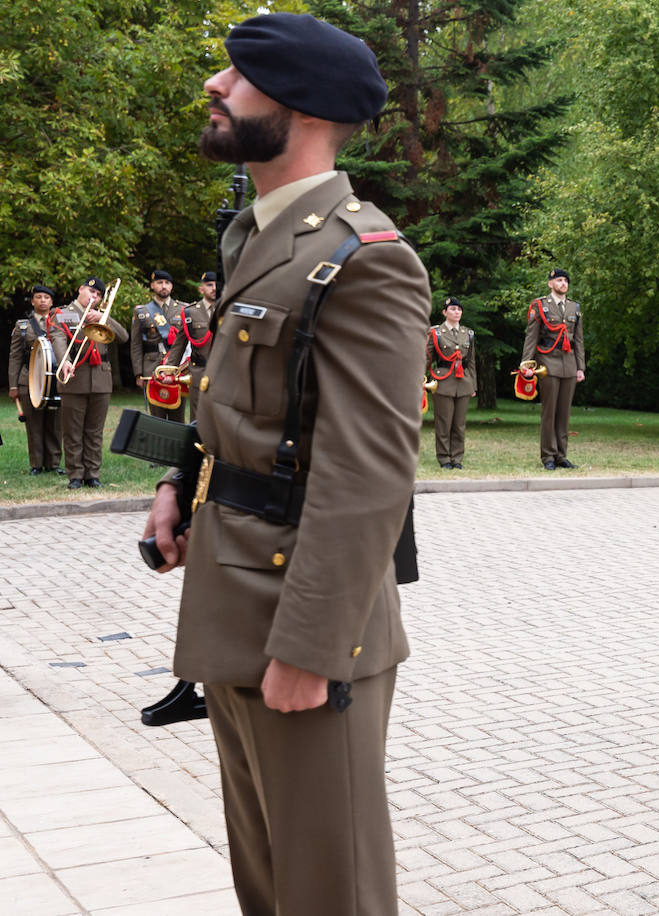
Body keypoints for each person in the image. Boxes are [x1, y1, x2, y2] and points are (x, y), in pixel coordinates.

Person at [141, 14, 429, 915]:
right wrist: (171, 484)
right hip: (233, 595)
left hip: (300, 619)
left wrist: (312, 650)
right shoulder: (258, 235)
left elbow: (370, 474)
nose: (215, 88)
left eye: (240, 76)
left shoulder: (365, 258)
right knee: (268, 884)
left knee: (328, 889)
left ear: (298, 105)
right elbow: (231, 396)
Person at [49, 277, 127, 489]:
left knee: (94, 431)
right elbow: (57, 338)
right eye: (91, 291)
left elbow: (123, 336)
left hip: (101, 379)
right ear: (80, 289)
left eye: (99, 295)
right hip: (75, 378)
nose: (94, 297)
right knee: (73, 431)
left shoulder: (102, 315)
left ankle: (92, 474)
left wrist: (104, 316)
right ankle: (75, 474)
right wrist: (64, 361)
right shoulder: (63, 313)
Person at [522, 268, 585, 470]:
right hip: (547, 361)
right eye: (559, 280)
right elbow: (532, 337)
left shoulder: (574, 307)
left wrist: (580, 367)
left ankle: (561, 455)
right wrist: (526, 364)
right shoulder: (540, 305)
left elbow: (579, 340)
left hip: (569, 363)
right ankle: (548, 456)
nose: (563, 283)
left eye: (565, 280)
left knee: (564, 412)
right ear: (550, 283)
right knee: (549, 412)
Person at [8, 284, 64, 474]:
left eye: (46, 298)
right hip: (29, 379)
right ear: (33, 301)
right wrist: (13, 385)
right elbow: (15, 357)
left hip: (55, 379)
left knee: (55, 423)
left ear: (52, 302)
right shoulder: (22, 325)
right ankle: (36, 464)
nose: (42, 301)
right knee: (34, 423)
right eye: (38, 297)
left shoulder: (61, 323)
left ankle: (54, 464)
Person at [427, 296, 477, 469]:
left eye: (459, 309)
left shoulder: (468, 333)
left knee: (459, 424)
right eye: (453, 309)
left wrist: (473, 385)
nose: (457, 312)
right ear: (444, 312)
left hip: (463, 381)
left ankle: (457, 458)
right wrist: (423, 380)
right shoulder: (436, 333)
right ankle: (444, 458)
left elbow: (471, 362)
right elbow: (427, 358)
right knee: (444, 422)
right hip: (443, 381)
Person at [130, 269, 186, 421]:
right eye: (160, 282)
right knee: (157, 418)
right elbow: (136, 344)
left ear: (171, 287)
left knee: (178, 418)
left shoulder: (184, 309)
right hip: (151, 368)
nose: (164, 286)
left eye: (167, 283)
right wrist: (138, 374)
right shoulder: (142, 311)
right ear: (152, 285)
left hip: (177, 370)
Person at [165, 270, 217, 422]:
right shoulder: (190, 313)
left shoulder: (228, 310)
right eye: (209, 285)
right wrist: (169, 370)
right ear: (201, 289)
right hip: (200, 372)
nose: (214, 288)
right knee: (198, 419)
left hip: (225, 373)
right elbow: (179, 345)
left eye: (217, 285)